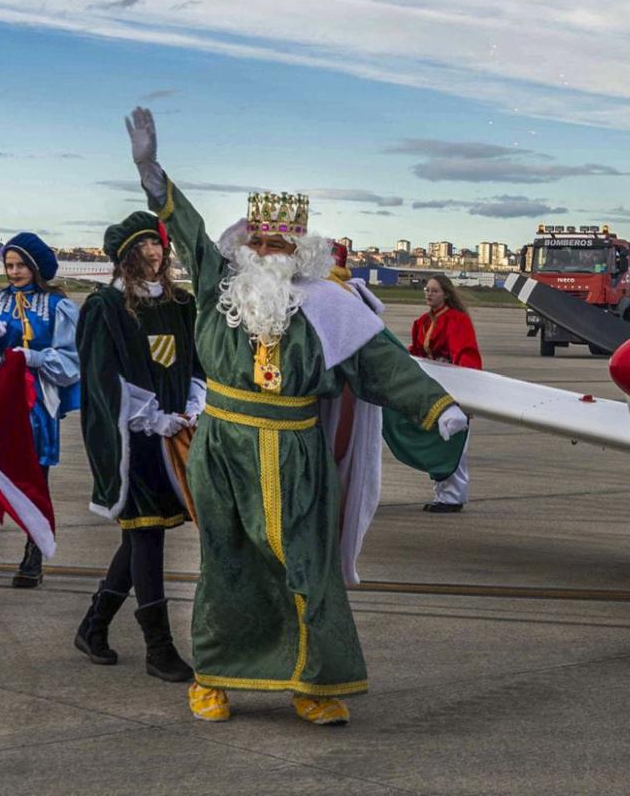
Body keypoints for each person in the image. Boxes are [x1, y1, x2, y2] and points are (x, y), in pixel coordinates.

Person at [123, 107, 468, 725]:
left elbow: (379, 362)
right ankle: (214, 679)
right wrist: (153, 175)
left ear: (301, 248)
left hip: (297, 452)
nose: (267, 250)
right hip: (224, 448)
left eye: (280, 242)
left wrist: (434, 406)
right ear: (243, 244)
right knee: (225, 565)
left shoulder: (329, 307)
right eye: (258, 240)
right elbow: (193, 232)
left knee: (308, 565)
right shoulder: (218, 287)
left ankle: (313, 683)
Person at [73, 211, 204, 683]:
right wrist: (151, 417)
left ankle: (94, 625)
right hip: (132, 440)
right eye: (144, 245)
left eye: (158, 244)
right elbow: (102, 377)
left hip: (174, 437)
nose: (155, 252)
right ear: (126, 255)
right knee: (146, 533)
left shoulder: (180, 303)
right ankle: (158, 647)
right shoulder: (105, 306)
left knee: (143, 535)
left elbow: (194, 361)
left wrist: (192, 401)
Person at [0, 232, 80, 587]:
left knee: (34, 476)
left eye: (20, 266)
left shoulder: (58, 307)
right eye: (9, 265)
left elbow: (71, 362)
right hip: (3, 395)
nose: (13, 272)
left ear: (36, 268)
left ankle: (34, 551)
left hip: (38, 400)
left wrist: (35, 357)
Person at [409, 275, 483, 512]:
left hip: (454, 389)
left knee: (454, 443)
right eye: (426, 290)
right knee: (439, 443)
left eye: (434, 291)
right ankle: (444, 496)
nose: (429, 294)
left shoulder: (457, 321)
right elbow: (418, 353)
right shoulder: (421, 322)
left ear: (446, 294)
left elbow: (466, 356)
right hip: (434, 389)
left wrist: (465, 394)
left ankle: (452, 498)